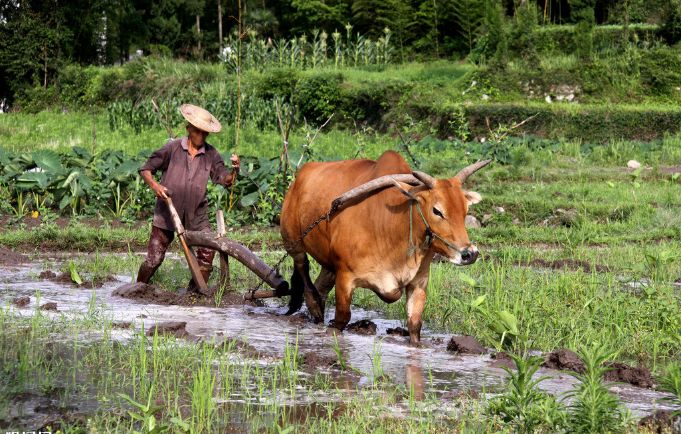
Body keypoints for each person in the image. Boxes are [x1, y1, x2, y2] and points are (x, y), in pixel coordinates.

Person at [136, 104, 240, 293]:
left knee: (207, 253)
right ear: (189, 129)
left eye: (205, 133)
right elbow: (146, 169)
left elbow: (224, 179)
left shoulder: (211, 154)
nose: (201, 136)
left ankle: (194, 295)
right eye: (198, 131)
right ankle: (138, 288)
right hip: (167, 211)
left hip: (197, 214)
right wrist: (156, 187)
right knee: (154, 259)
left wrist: (234, 170)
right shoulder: (172, 148)